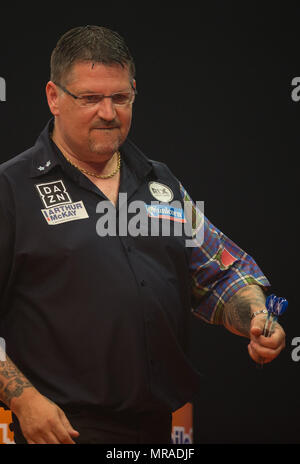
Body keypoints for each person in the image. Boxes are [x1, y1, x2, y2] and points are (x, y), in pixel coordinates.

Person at [0, 25, 285, 445]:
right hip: (59, 430)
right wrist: (24, 402)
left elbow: (222, 273)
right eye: (90, 98)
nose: (108, 112)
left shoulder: (159, 182)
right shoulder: (11, 188)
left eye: (120, 97)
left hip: (154, 430)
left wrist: (257, 316)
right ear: (53, 97)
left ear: (134, 93)